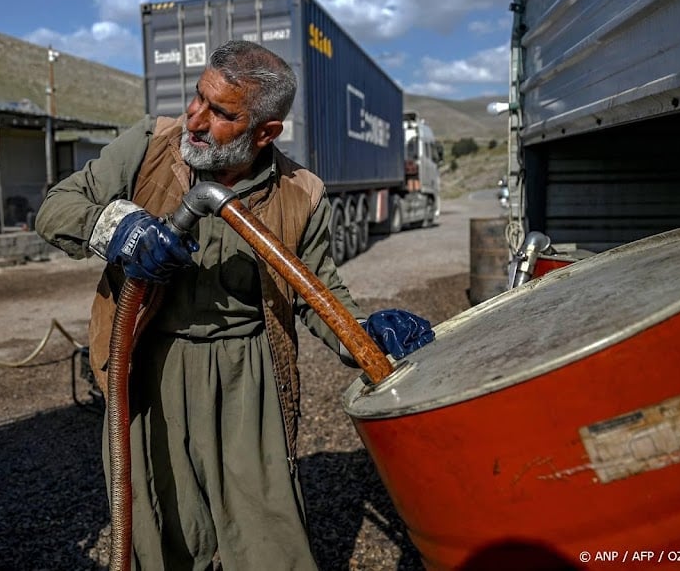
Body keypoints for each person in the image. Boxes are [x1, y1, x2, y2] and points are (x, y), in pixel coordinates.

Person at [36, 40, 433, 570]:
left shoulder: (301, 192)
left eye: (221, 113)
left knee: (267, 533)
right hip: (150, 365)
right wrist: (119, 228)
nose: (195, 119)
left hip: (249, 374)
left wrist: (364, 330)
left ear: (265, 132)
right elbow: (56, 208)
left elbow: (317, 293)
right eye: (198, 97)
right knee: (161, 530)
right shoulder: (149, 147)